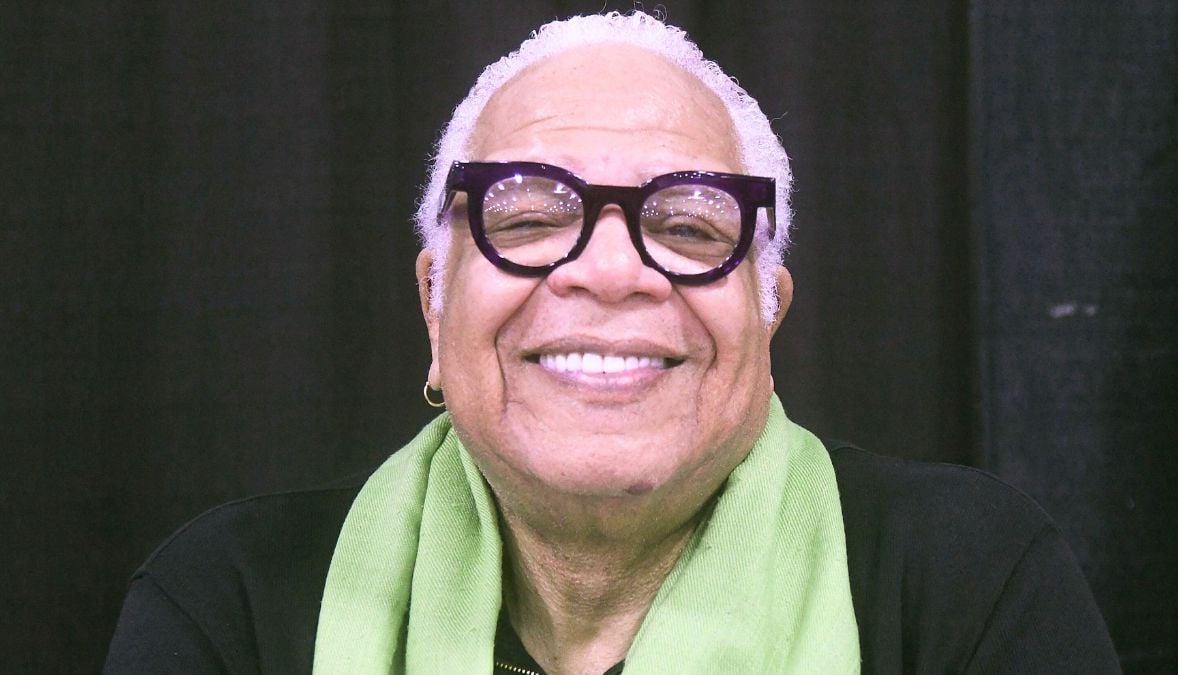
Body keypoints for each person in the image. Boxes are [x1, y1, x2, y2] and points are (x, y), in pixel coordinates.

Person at [105, 11, 1120, 674]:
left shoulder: (972, 591)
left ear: (768, 309)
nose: (609, 270)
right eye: (531, 216)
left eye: (689, 226)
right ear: (433, 302)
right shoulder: (228, 608)